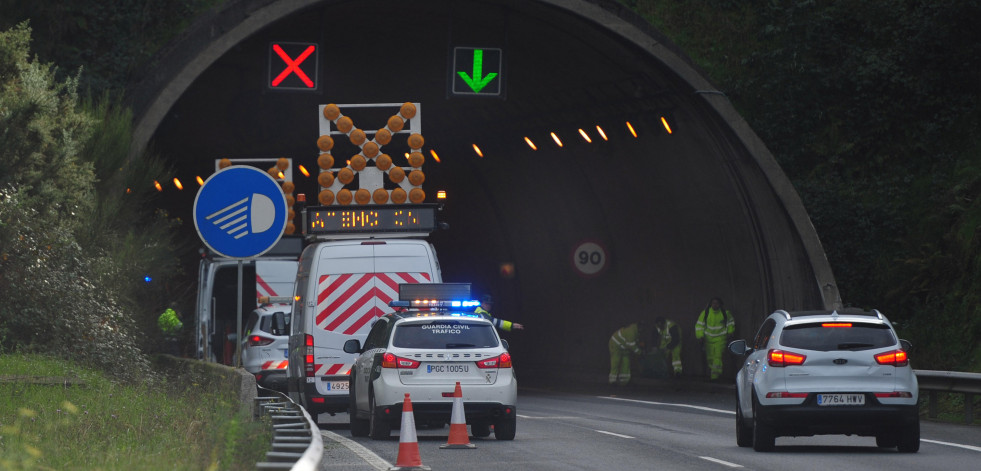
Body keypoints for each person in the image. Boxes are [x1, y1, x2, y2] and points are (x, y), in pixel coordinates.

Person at [694, 297, 735, 381]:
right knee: (710, 358)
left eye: (717, 303)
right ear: (710, 304)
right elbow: (699, 325)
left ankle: (715, 376)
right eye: (713, 303)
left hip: (721, 339)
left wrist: (731, 332)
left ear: (720, 304)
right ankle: (714, 373)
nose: (715, 305)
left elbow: (730, 323)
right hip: (708, 340)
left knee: (717, 356)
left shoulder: (725, 313)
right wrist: (700, 336)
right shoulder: (705, 313)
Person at [608, 321, 647, 386]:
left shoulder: (636, 331)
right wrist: (640, 352)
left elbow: (634, 342)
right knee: (616, 361)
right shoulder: (631, 332)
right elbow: (631, 345)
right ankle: (612, 381)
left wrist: (640, 347)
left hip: (624, 347)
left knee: (626, 363)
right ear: (639, 327)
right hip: (615, 345)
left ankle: (624, 381)